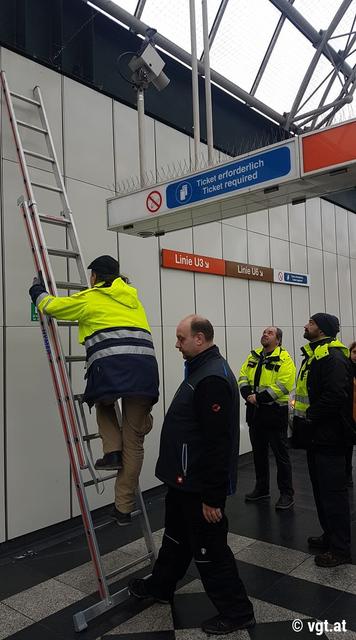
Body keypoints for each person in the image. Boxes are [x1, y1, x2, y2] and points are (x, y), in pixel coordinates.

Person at [128, 315, 255, 635]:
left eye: (181, 338)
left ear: (200, 339)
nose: (176, 344)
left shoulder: (211, 378)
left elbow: (218, 443)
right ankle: (160, 586)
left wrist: (213, 497)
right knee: (176, 539)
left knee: (210, 551)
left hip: (199, 486)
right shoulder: (202, 370)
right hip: (184, 481)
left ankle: (238, 612)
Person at [29, 255, 159, 526]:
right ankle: (123, 508)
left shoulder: (91, 297)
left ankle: (111, 451)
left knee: (104, 402)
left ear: (96, 277)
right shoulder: (133, 298)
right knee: (134, 441)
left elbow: (53, 307)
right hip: (145, 372)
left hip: (110, 368)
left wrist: (37, 291)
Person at [292, 313, 354, 567]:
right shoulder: (317, 354)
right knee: (320, 491)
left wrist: (310, 415)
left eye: (312, 323)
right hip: (316, 437)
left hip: (331, 438)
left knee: (333, 494)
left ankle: (340, 549)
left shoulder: (334, 357)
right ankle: (329, 535)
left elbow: (336, 394)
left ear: (323, 329)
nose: (306, 325)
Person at [238, 327, 296, 509]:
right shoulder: (253, 356)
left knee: (281, 456)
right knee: (259, 454)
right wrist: (247, 394)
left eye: (270, 333)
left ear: (278, 340)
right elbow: (242, 377)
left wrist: (258, 398)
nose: (265, 334)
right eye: (264, 331)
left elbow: (284, 385)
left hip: (274, 413)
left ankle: (287, 494)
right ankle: (262, 489)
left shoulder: (284, 358)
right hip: (255, 413)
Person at [345, 340, 356, 487]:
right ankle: (347, 472)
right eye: (354, 352)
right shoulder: (345, 368)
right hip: (348, 413)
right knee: (347, 446)